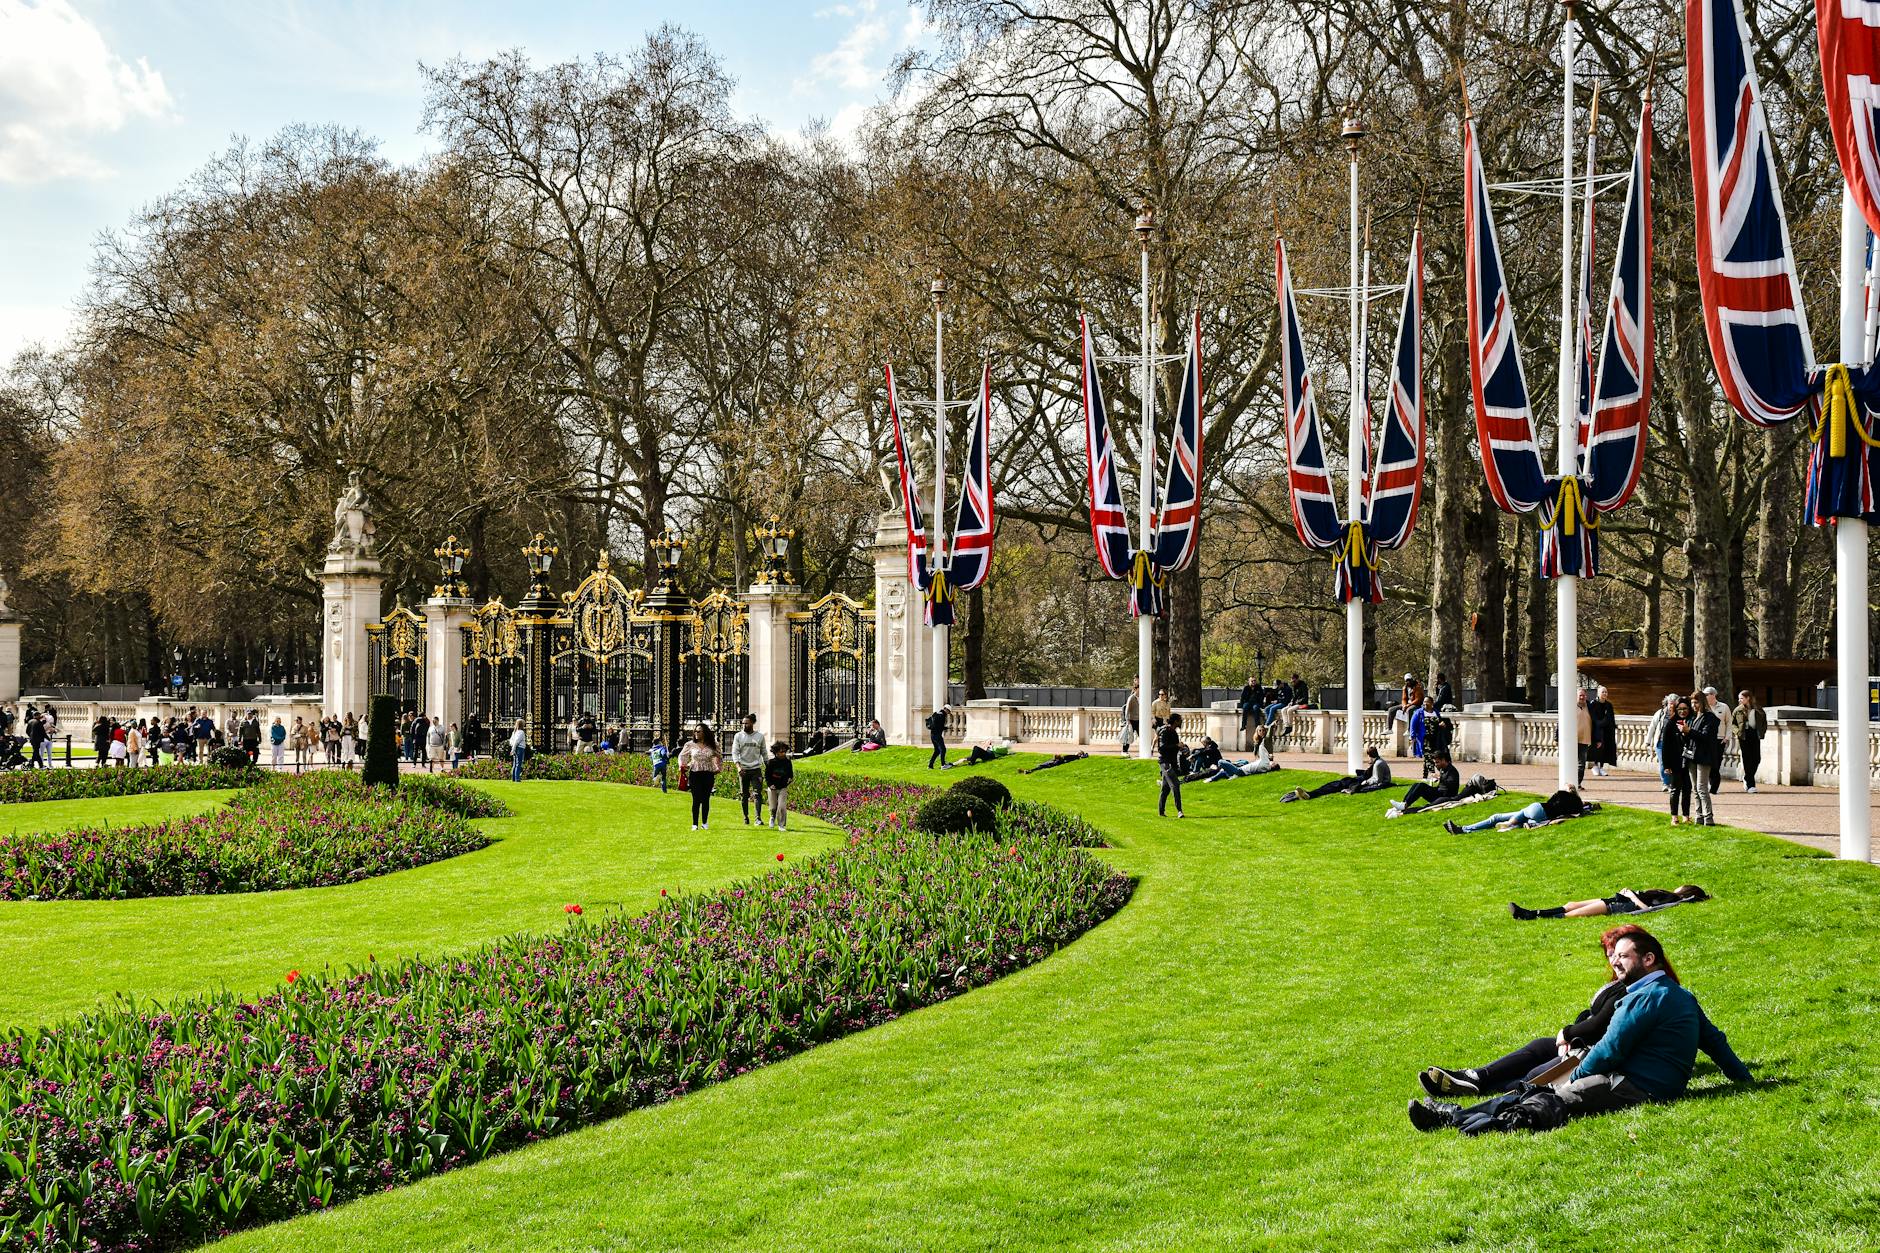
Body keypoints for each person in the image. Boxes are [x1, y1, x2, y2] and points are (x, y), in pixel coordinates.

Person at [1409, 928, 1753, 1134]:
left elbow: (1610, 1051)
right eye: (1614, 956)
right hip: (1647, 1083)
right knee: (1537, 1088)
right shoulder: (1680, 995)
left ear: (1648, 960)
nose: (1615, 962)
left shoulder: (1644, 999)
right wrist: (1744, 1080)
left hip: (1634, 1086)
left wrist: (1574, 1076)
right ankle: (1453, 1112)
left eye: (1623, 956)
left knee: (1547, 1098)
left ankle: (1451, 1118)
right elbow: (1715, 1042)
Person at [1510, 885, 1710, 920]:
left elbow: (1647, 909)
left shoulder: (1672, 898)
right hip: (1617, 899)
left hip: (1619, 906)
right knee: (1571, 904)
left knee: (1571, 914)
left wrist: (1631, 895)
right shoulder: (1670, 895)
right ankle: (1531, 912)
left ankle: (1531, 916)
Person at [1443, 787, 1586, 833]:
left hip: (1537, 808)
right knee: (1522, 821)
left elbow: (1549, 802)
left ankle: (1463, 829)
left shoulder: (1561, 794)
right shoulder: (1576, 807)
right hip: (1543, 817)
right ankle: (1513, 826)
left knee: (1497, 817)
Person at [1281, 746, 1391, 802]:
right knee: (1333, 784)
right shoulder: (1377, 762)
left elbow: (1377, 780)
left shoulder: (1378, 764)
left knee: (1334, 785)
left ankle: (1310, 794)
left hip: (1359, 781)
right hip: (1358, 780)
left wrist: (1362, 783)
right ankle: (1309, 793)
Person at [679, 726, 722, 830]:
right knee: (696, 799)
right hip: (695, 774)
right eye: (695, 731)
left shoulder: (713, 744)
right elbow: (682, 756)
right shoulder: (690, 744)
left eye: (699, 731)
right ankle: (694, 824)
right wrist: (682, 765)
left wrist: (718, 767)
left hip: (708, 774)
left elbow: (719, 756)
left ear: (705, 732)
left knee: (706, 799)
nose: (696, 733)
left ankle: (704, 823)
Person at [1390, 750, 1458, 816]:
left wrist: (1440, 778)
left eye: (1437, 762)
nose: (1436, 765)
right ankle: (1403, 803)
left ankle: (1404, 805)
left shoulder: (1452, 771)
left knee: (1421, 786)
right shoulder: (1443, 768)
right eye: (1435, 763)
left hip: (1445, 796)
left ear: (1443, 760)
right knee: (1417, 784)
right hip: (1439, 792)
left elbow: (1451, 785)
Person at [1688, 690, 1720, 826]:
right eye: (1692, 702)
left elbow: (1705, 737)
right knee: (1695, 788)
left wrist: (1689, 731)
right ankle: (1699, 816)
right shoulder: (1695, 717)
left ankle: (1709, 817)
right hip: (1693, 756)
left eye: (1696, 702)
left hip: (1704, 756)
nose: (1694, 705)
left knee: (1702, 788)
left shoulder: (1710, 718)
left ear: (1702, 702)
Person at [732, 713, 768, 825]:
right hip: (743, 770)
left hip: (756, 769)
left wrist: (768, 767)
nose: (744, 725)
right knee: (744, 794)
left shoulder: (760, 736)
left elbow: (764, 753)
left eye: (746, 723)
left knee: (757, 793)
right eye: (743, 723)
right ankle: (745, 817)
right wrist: (738, 767)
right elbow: (735, 753)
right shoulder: (738, 736)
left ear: (752, 723)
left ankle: (758, 818)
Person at [1733, 691, 1766, 793]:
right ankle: (1751, 785)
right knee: (1747, 759)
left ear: (1748, 698)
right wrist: (1737, 732)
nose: (1739, 700)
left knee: (1756, 759)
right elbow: (1732, 723)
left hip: (1755, 735)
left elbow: (1764, 722)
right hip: (1743, 736)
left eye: (1741, 698)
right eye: (1739, 699)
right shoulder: (1738, 710)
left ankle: (1747, 777)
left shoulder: (1758, 709)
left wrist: (1762, 732)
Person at [1704, 686, 1733, 797]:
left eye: (1707, 694)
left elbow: (1729, 723)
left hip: (1720, 740)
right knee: (1708, 763)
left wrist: (1727, 738)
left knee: (1716, 764)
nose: (1705, 697)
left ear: (1713, 695)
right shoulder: (1704, 708)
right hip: (1707, 740)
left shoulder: (1724, 707)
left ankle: (1714, 788)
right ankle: (1708, 785)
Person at [1156, 711, 1186, 818]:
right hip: (1165, 762)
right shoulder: (1166, 731)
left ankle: (1161, 811)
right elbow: (1162, 748)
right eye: (1180, 720)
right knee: (1175, 785)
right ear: (1176, 721)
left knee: (1165, 788)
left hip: (1171, 762)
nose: (1181, 722)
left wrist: (1180, 747)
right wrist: (1177, 745)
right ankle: (1179, 811)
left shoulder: (1172, 731)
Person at [1645, 693, 1677, 791]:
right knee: (1663, 763)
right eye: (1670, 703)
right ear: (1666, 703)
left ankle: (1672, 783)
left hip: (1674, 743)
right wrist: (1648, 742)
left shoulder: (1679, 714)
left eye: (1673, 704)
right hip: (1660, 742)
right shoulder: (1660, 713)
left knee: (1673, 763)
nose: (1671, 706)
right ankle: (1665, 783)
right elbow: (1652, 727)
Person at [1587, 685, 1618, 778]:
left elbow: (1611, 718)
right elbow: (1593, 718)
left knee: (1606, 749)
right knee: (1597, 748)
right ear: (1598, 693)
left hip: (1607, 730)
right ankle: (1595, 766)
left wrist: (1612, 726)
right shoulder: (1593, 704)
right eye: (1603, 692)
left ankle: (1601, 767)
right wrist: (1601, 723)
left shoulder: (1609, 705)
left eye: (1606, 692)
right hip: (1596, 730)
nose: (1605, 694)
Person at [764, 740, 794, 831]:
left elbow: (790, 774)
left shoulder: (788, 762)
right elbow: (767, 775)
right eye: (781, 752)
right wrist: (770, 785)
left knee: (782, 806)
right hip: (772, 787)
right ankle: (772, 817)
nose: (783, 753)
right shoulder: (771, 763)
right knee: (773, 807)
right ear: (776, 752)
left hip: (783, 787)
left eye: (784, 751)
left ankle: (781, 825)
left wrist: (789, 779)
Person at [1572, 689, 1592, 786]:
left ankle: (1577, 783)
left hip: (1585, 740)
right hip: (1571, 740)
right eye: (1580, 695)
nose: (1582, 697)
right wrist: (1556, 737)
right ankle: (1570, 783)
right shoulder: (1570, 707)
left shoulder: (1590, 707)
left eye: (1584, 695)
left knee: (1581, 764)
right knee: (1571, 763)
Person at [949, 740, 1014, 768]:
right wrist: (988, 745)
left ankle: (972, 761)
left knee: (976, 748)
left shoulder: (1004, 749)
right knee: (968, 758)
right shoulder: (1003, 749)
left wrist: (989, 745)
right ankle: (953, 764)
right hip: (987, 754)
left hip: (989, 755)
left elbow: (995, 749)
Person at [1019, 750, 1089, 775]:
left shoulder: (1073, 757)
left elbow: (1068, 758)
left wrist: (1081, 755)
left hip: (1053, 763)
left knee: (1040, 767)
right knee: (1040, 767)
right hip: (1052, 763)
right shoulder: (1071, 757)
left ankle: (1028, 771)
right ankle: (1028, 771)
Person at [1120, 681, 1141, 754]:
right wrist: (1127, 720)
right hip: (1131, 720)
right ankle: (1124, 751)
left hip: (1139, 720)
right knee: (1128, 736)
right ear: (1136, 689)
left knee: (1142, 736)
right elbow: (1127, 710)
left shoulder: (1142, 698)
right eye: (1139, 688)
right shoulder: (1131, 698)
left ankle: (1143, 750)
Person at [926, 705, 949, 769]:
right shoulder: (942, 716)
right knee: (943, 749)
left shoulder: (937, 714)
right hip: (937, 735)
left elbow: (936, 725)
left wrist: (944, 728)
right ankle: (943, 765)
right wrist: (945, 728)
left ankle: (930, 765)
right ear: (946, 709)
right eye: (948, 711)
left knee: (937, 751)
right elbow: (940, 726)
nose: (948, 713)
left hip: (932, 735)